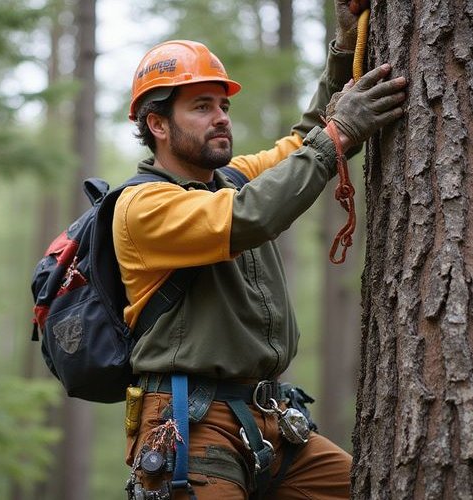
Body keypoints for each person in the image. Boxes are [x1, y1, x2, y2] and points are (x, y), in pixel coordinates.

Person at [114, 2, 408, 498]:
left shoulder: (231, 179)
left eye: (223, 106)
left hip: (272, 419)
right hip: (189, 425)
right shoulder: (141, 206)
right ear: (157, 125)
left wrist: (343, 47)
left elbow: (309, 140)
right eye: (201, 107)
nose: (220, 118)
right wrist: (336, 134)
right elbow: (251, 216)